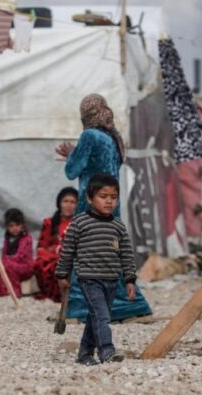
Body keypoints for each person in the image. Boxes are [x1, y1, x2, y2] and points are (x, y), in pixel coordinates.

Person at [55, 93, 152, 321]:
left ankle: (80, 308)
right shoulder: (112, 139)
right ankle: (131, 305)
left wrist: (71, 154)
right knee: (110, 256)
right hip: (111, 208)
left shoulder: (90, 135)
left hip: (90, 205)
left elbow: (72, 170)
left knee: (84, 255)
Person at [55, 174, 135, 365]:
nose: (109, 201)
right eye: (103, 196)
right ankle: (107, 350)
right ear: (90, 199)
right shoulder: (80, 223)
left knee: (95, 316)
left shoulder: (118, 226)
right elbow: (68, 250)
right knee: (102, 315)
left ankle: (84, 354)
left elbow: (126, 253)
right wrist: (62, 274)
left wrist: (130, 279)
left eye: (113, 197)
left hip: (112, 280)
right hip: (89, 279)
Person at [35, 187, 79, 302]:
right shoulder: (49, 222)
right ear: (59, 203)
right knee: (41, 262)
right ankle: (54, 295)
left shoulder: (79, 223)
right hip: (52, 257)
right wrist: (54, 254)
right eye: (65, 201)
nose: (69, 205)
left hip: (71, 258)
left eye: (72, 202)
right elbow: (41, 246)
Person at [0, 208, 34, 297]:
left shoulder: (26, 238)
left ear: (22, 225)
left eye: (17, 225)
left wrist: (5, 261)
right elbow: (3, 254)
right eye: (11, 226)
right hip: (10, 263)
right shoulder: (8, 238)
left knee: (6, 265)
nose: (14, 228)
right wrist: (1, 262)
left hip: (25, 266)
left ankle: (15, 292)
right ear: (7, 227)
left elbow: (20, 256)